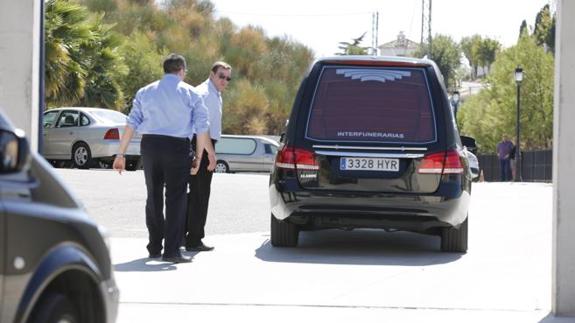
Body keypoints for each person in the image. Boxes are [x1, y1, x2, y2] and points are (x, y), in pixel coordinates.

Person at [113, 53, 216, 263]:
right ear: (181, 71)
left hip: (150, 146)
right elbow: (201, 127)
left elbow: (131, 123)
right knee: (176, 199)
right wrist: (199, 156)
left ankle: (154, 246)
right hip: (177, 147)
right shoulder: (190, 93)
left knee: (153, 196)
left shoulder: (145, 91)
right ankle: (171, 251)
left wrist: (120, 154)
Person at [185, 61, 232, 252]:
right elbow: (200, 127)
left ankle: (182, 234)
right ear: (211, 74)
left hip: (201, 142)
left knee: (193, 193)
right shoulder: (206, 94)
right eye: (221, 76)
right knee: (200, 194)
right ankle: (194, 239)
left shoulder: (213, 93)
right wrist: (205, 153)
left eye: (228, 78)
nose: (224, 81)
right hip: (201, 142)